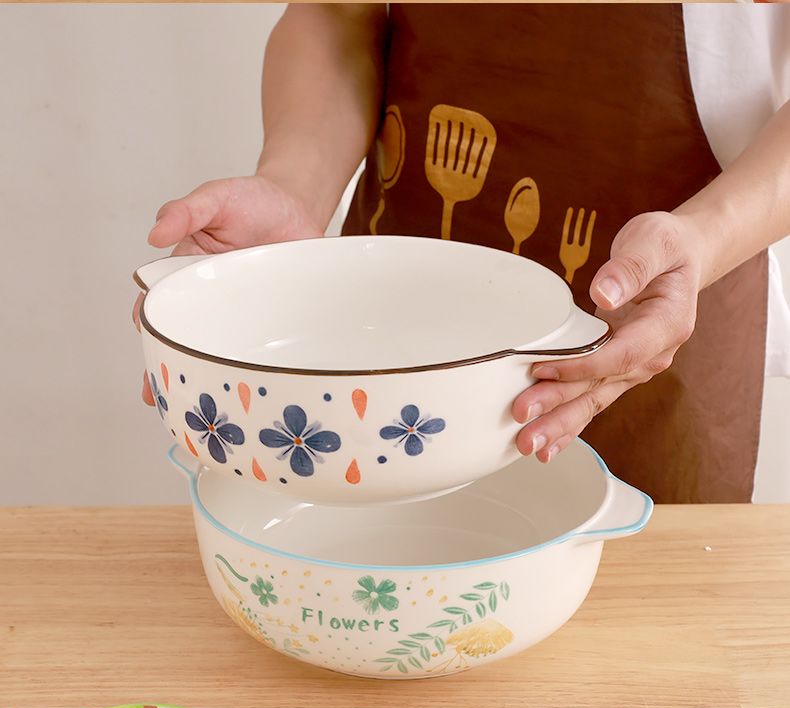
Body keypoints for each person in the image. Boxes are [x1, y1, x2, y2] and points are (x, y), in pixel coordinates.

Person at [136, 4, 790, 503]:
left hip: (658, 310)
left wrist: (705, 237)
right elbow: (336, 14)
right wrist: (293, 188)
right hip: (387, 304)